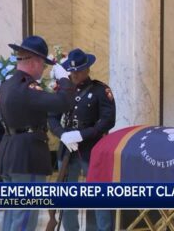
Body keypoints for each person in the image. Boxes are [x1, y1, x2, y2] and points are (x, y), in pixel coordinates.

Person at [0, 35, 75, 231]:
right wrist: (64, 78)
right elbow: (64, 102)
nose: (43, 70)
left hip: (8, 158)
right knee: (25, 218)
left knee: (12, 215)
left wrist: (8, 150)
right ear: (35, 62)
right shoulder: (27, 88)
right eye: (43, 65)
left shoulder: (3, 87)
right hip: (28, 159)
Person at [48, 48, 116, 231]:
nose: (75, 74)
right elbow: (52, 117)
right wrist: (62, 133)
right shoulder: (64, 90)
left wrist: (82, 135)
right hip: (68, 148)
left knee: (97, 195)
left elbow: (108, 120)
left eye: (78, 70)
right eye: (72, 71)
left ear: (87, 69)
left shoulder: (101, 90)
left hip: (93, 148)